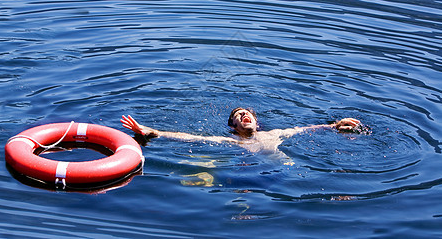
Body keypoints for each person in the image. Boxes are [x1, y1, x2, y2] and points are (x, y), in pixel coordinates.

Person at [121, 107, 361, 154]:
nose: (242, 115)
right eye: (237, 116)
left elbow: (303, 129)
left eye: (245, 113)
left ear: (256, 121)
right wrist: (151, 131)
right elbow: (190, 137)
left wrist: (334, 125)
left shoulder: (273, 134)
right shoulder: (234, 143)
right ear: (234, 127)